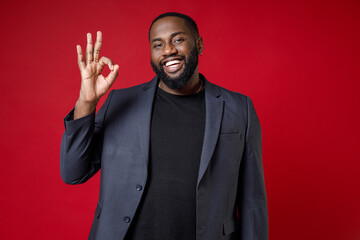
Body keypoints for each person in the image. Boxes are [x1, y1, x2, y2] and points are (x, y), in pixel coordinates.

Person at [60, 12, 268, 240]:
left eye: (178, 40)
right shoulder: (120, 102)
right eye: (158, 44)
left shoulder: (239, 108)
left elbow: (252, 202)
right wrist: (87, 102)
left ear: (198, 44)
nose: (168, 50)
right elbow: (73, 173)